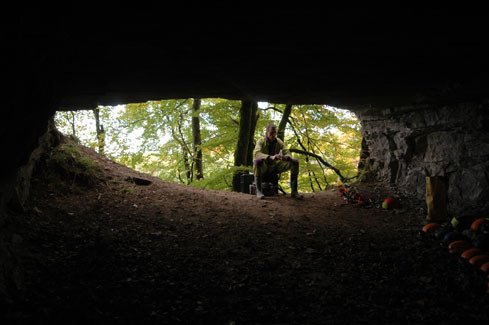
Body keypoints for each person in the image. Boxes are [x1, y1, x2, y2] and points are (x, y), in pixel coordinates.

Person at [253, 123, 303, 200]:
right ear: (267, 133)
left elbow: (287, 152)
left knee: (295, 162)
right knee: (257, 161)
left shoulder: (279, 142)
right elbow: (257, 154)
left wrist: (286, 157)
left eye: (275, 133)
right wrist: (270, 157)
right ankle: (259, 191)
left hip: (276, 166)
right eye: (271, 133)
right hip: (264, 166)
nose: (273, 135)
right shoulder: (261, 141)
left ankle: (294, 191)